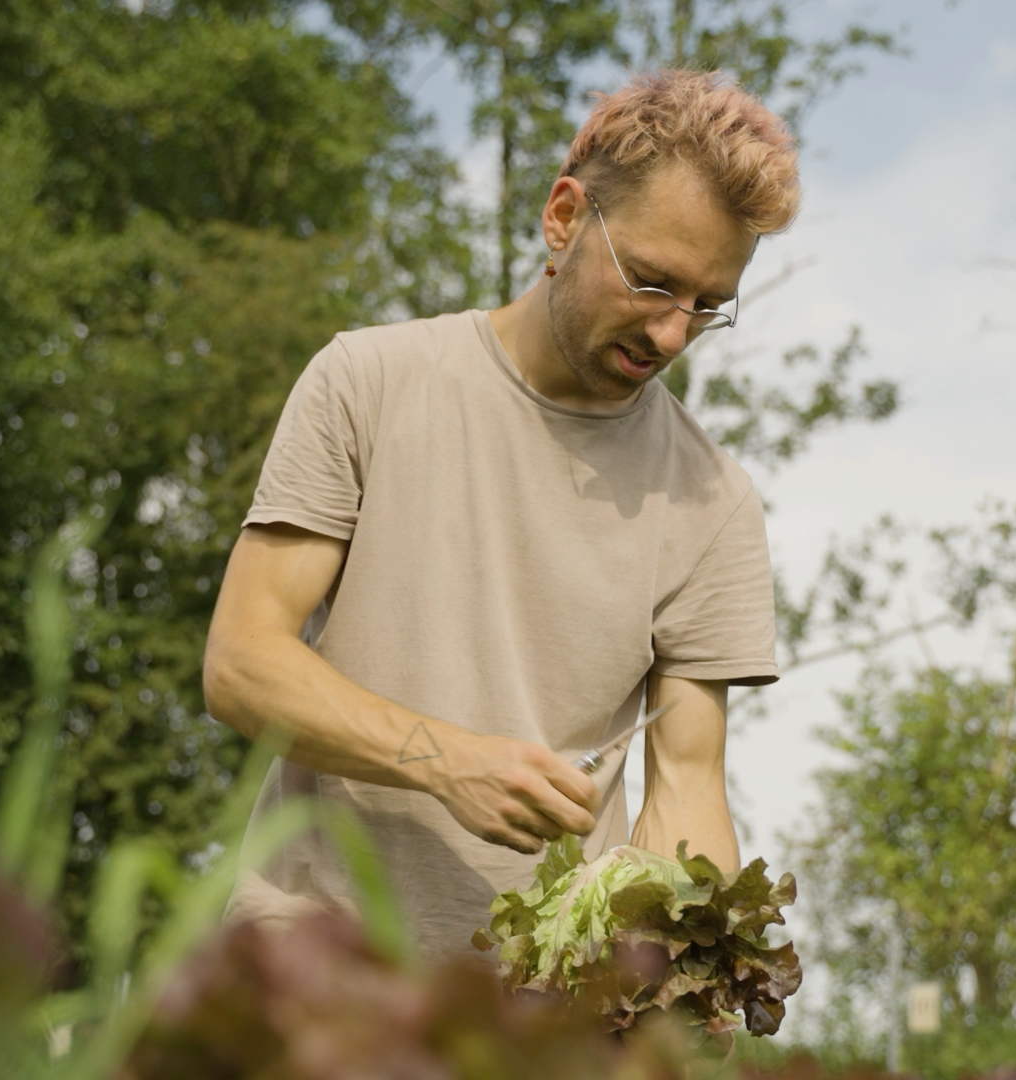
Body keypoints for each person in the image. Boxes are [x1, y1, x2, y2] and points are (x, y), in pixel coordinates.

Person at [202, 69, 800, 961]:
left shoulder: (712, 499)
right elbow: (242, 664)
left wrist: (695, 960)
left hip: (537, 1007)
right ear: (564, 217)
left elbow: (686, 787)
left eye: (707, 306)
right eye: (652, 282)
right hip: (305, 976)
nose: (673, 334)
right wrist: (446, 761)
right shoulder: (369, 382)